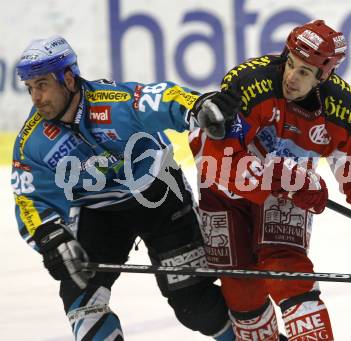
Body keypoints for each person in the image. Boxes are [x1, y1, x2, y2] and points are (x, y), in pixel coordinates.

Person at [189, 20, 351, 340]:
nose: (291, 77)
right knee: (242, 292)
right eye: (290, 64)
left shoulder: (346, 110)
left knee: (289, 271)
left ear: (323, 75)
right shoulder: (248, 83)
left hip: (290, 192)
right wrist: (279, 177)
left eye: (304, 72)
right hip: (227, 191)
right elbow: (215, 158)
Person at [11, 35, 241, 341]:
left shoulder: (115, 102)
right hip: (99, 214)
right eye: (30, 88)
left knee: (194, 305)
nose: (36, 97)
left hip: (160, 198)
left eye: (42, 85)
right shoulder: (33, 142)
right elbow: (29, 199)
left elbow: (163, 98)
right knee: (81, 303)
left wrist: (198, 104)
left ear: (67, 78)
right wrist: (50, 238)